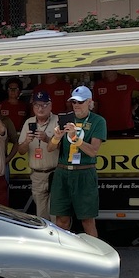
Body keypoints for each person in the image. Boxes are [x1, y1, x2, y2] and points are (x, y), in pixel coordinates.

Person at [47, 86, 107, 237]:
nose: (76, 105)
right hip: (63, 171)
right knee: (61, 219)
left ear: (89, 102)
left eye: (80, 102)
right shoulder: (66, 119)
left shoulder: (98, 121)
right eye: (73, 102)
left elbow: (93, 150)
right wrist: (57, 137)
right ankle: (64, 255)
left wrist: (75, 138)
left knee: (87, 220)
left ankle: (96, 256)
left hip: (84, 172)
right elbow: (50, 148)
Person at [17, 92, 59, 220]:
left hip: (55, 174)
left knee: (56, 215)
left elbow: (66, 147)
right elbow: (21, 151)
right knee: (41, 216)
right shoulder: (29, 122)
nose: (40, 109)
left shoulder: (57, 121)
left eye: (44, 105)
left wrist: (47, 139)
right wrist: (26, 142)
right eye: (37, 105)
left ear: (50, 106)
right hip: (37, 175)